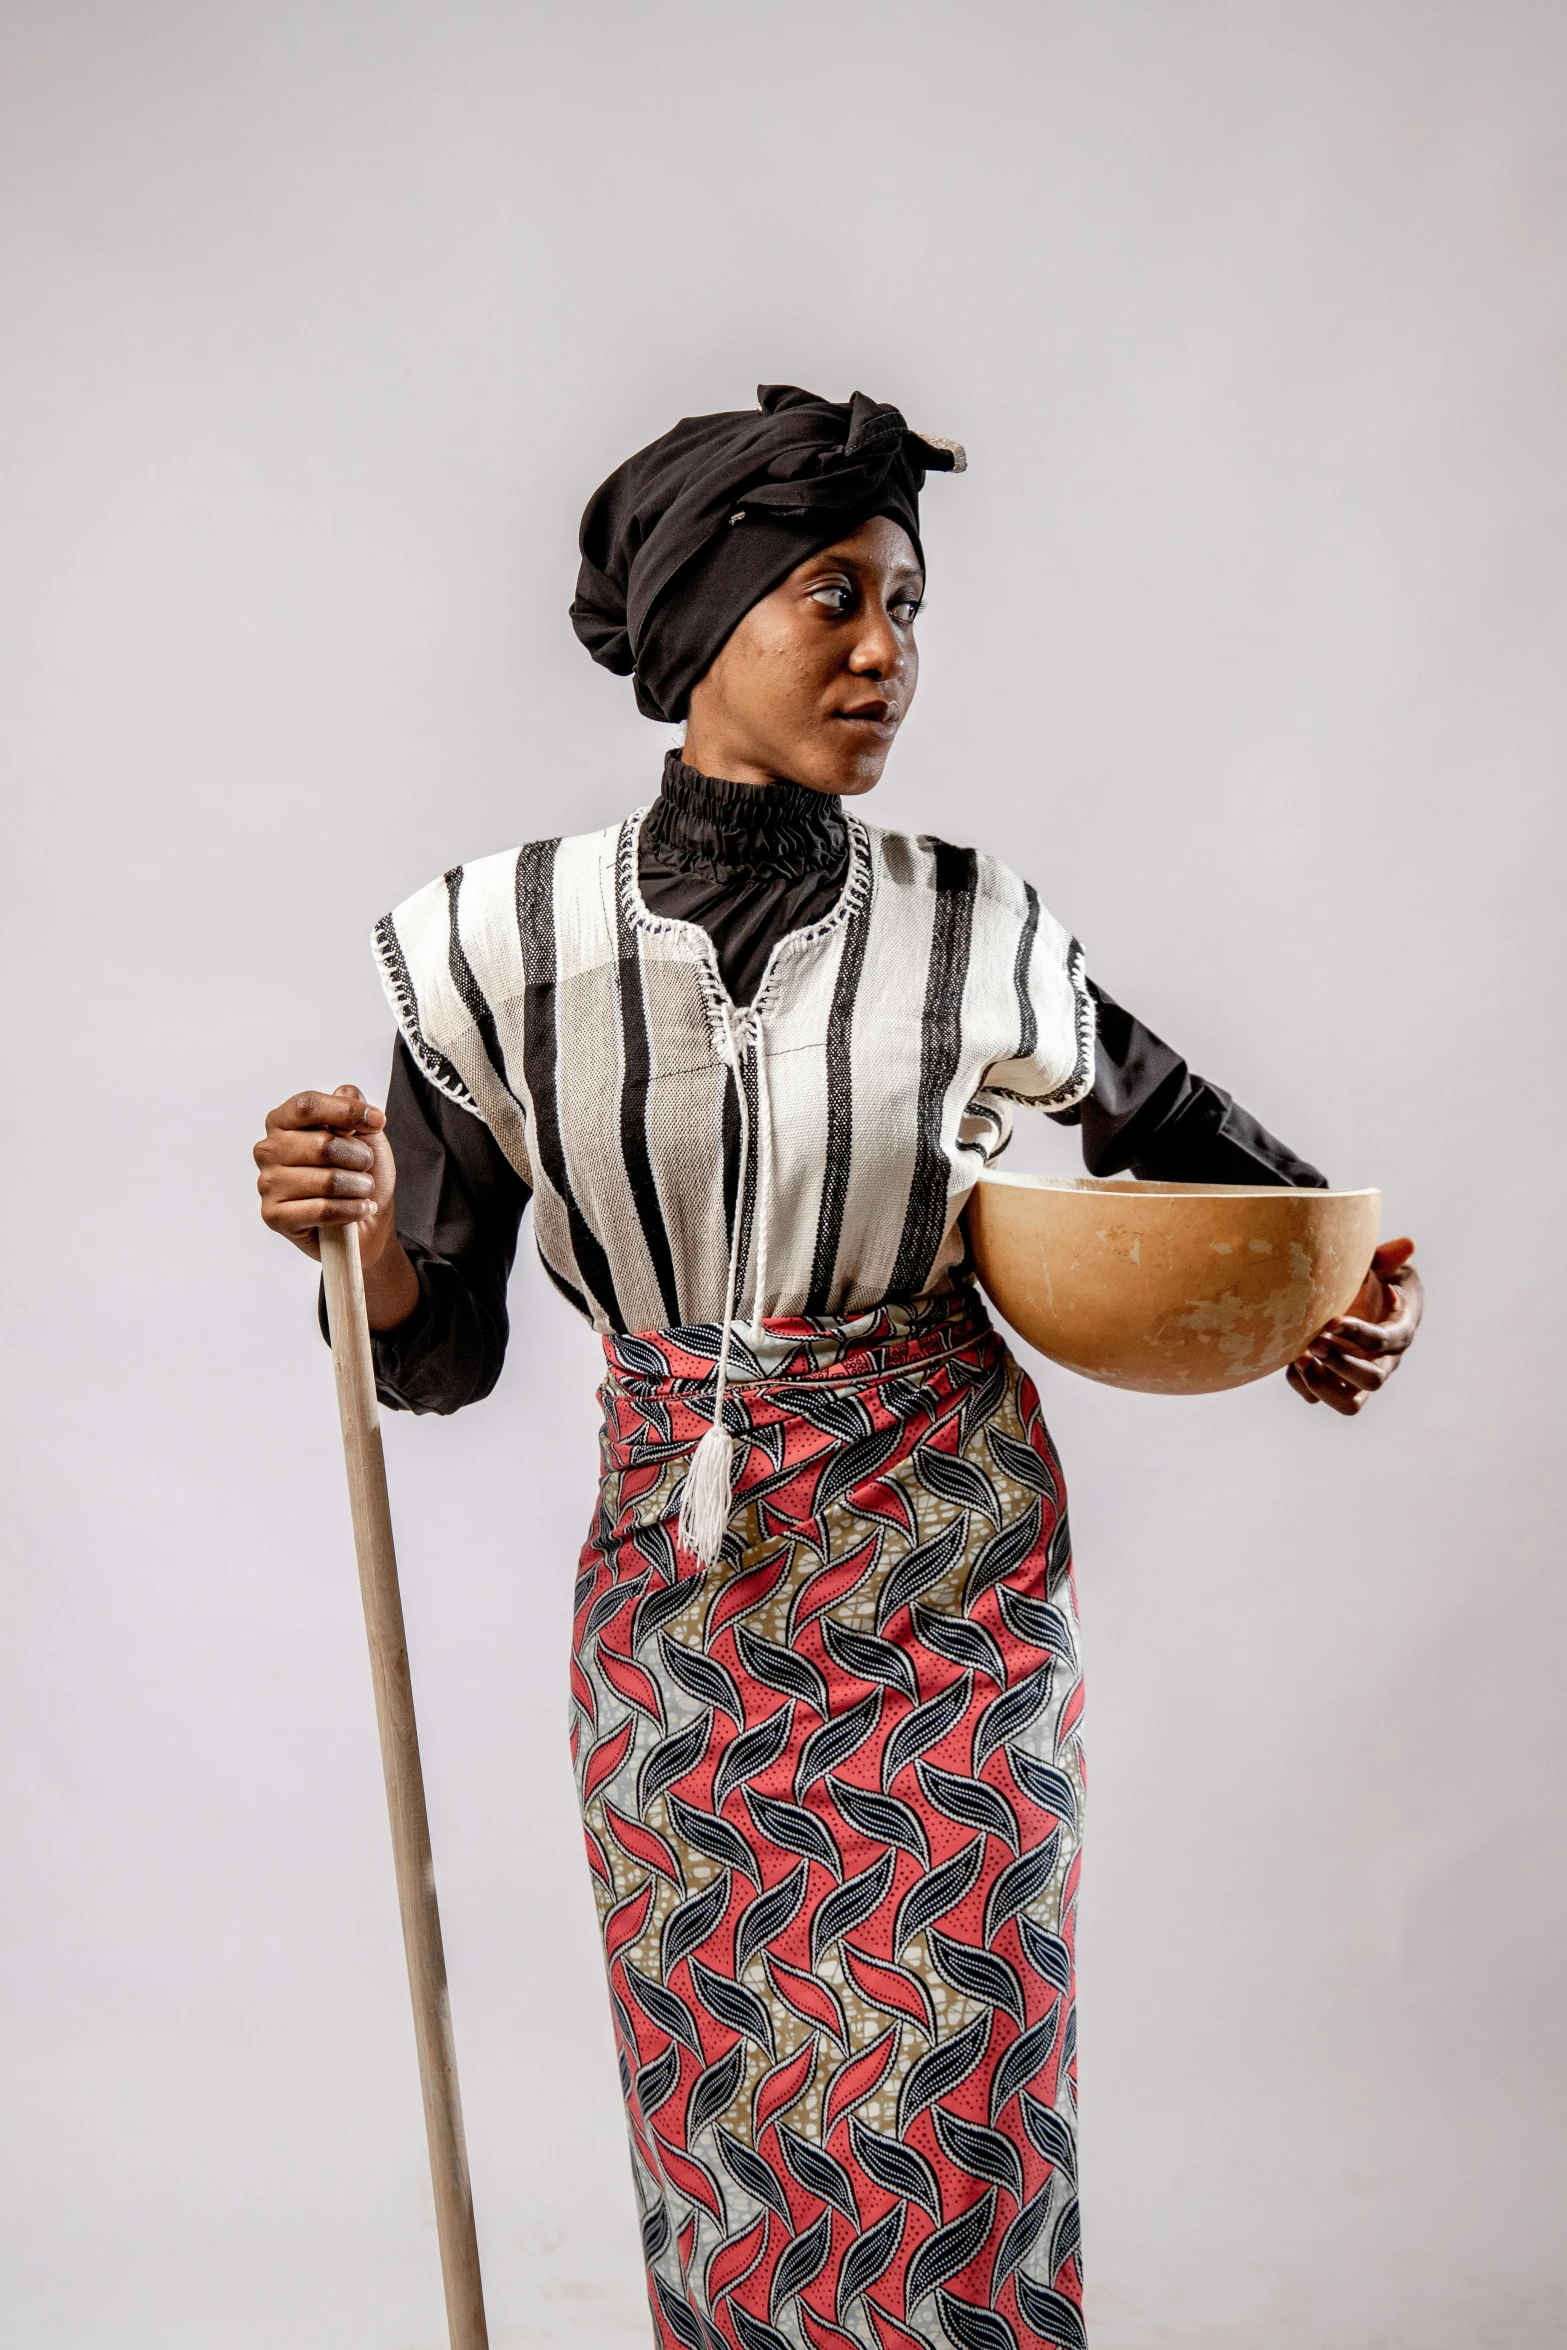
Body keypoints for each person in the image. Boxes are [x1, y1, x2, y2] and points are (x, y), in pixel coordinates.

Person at [253, 386, 1422, 2350]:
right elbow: (435, 1353)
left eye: (905, 602)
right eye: (830, 597)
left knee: (966, 2087)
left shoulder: (979, 927)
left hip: (951, 1581)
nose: (885, 650)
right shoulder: (496, 946)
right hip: (682, 1607)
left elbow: (1201, 1158)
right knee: (725, 2095)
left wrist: (1311, 1293)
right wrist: (357, 1230)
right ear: (703, 622)